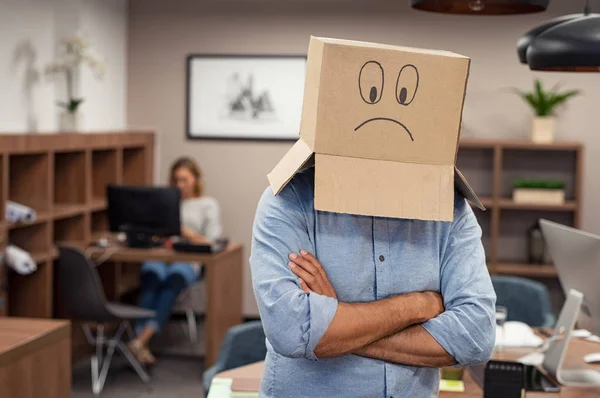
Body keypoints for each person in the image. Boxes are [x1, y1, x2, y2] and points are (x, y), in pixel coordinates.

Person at [250, 37, 496, 398]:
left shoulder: (451, 212)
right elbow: (291, 330)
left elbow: (476, 336)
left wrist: (337, 323)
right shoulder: (287, 203)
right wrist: (417, 305)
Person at [128, 157, 222, 365]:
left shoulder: (207, 205)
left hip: (189, 261)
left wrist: (185, 233)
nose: (180, 185)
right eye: (176, 180)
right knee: (151, 279)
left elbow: (212, 241)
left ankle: (141, 339)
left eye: (184, 180)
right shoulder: (165, 203)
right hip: (163, 256)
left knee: (172, 283)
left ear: (196, 180)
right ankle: (140, 344)